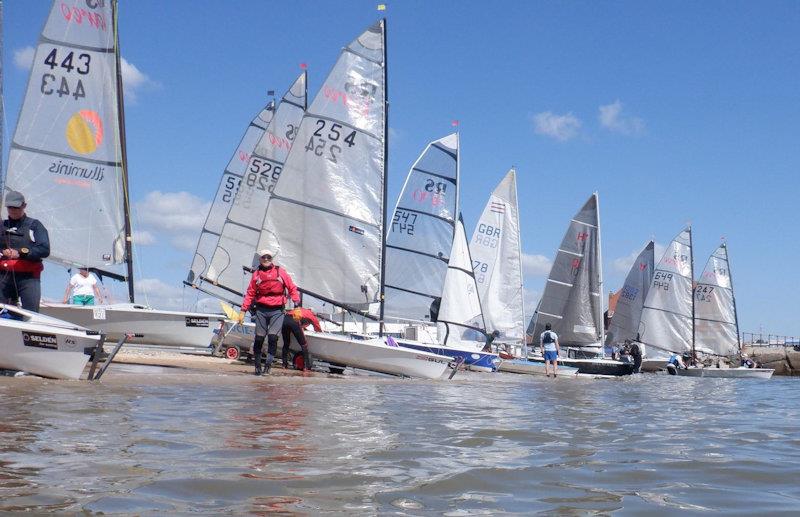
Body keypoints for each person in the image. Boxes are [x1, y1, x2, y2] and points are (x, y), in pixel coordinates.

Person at [239, 249, 300, 376]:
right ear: (260, 259)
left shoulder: (280, 272)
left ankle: (268, 365)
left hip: (277, 311)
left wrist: (297, 305)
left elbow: (292, 288)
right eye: (263, 257)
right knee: (259, 339)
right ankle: (257, 367)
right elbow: (250, 293)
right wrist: (243, 311)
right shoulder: (256, 274)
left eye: (268, 257)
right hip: (261, 309)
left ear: (272, 259)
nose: (266, 259)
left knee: (273, 337)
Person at [1, 191, 50, 312]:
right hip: (4, 276)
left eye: (16, 207)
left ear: (24, 205)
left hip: (29, 278)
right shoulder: (2, 225)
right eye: (10, 207)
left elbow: (44, 249)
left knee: (31, 313)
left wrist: (20, 253)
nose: (13, 210)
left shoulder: (35, 225)